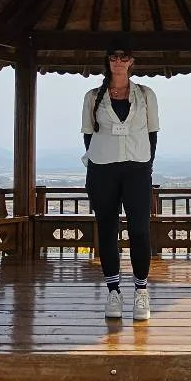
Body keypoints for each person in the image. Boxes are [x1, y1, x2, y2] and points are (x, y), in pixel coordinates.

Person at [81, 38, 158, 321]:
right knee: (108, 229)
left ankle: (141, 291)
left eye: (124, 56)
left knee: (139, 229)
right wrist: (100, 158)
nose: (118, 61)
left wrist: (146, 165)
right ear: (108, 60)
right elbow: (88, 135)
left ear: (131, 61)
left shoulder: (146, 94)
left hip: (137, 169)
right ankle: (113, 291)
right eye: (113, 56)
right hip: (102, 169)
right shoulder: (92, 96)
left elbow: (153, 134)